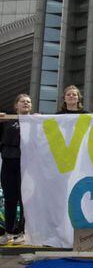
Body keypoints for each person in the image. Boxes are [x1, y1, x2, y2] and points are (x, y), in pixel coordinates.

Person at [0, 94, 32, 245]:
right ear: (16, 105)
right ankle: (8, 232)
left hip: (26, 164)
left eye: (28, 102)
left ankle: (22, 232)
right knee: (10, 199)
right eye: (23, 101)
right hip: (8, 162)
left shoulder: (35, 121)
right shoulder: (7, 120)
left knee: (24, 199)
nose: (26, 103)